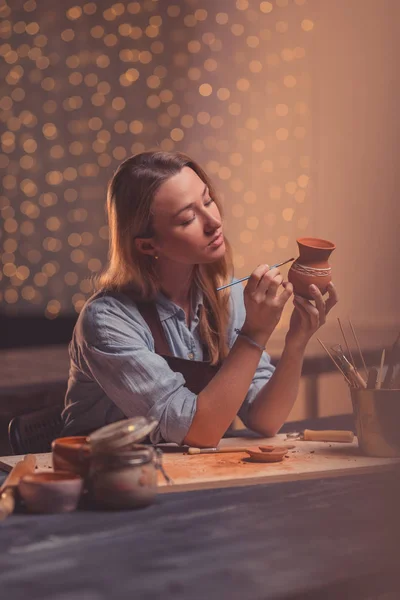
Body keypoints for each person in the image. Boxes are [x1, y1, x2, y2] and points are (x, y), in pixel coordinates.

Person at [61, 150, 338, 447]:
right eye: (188, 218)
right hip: (98, 479)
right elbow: (198, 431)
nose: (213, 222)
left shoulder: (228, 298)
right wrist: (254, 335)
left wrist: (296, 341)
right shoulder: (107, 321)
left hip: (181, 476)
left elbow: (265, 418)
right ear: (147, 245)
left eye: (208, 201)